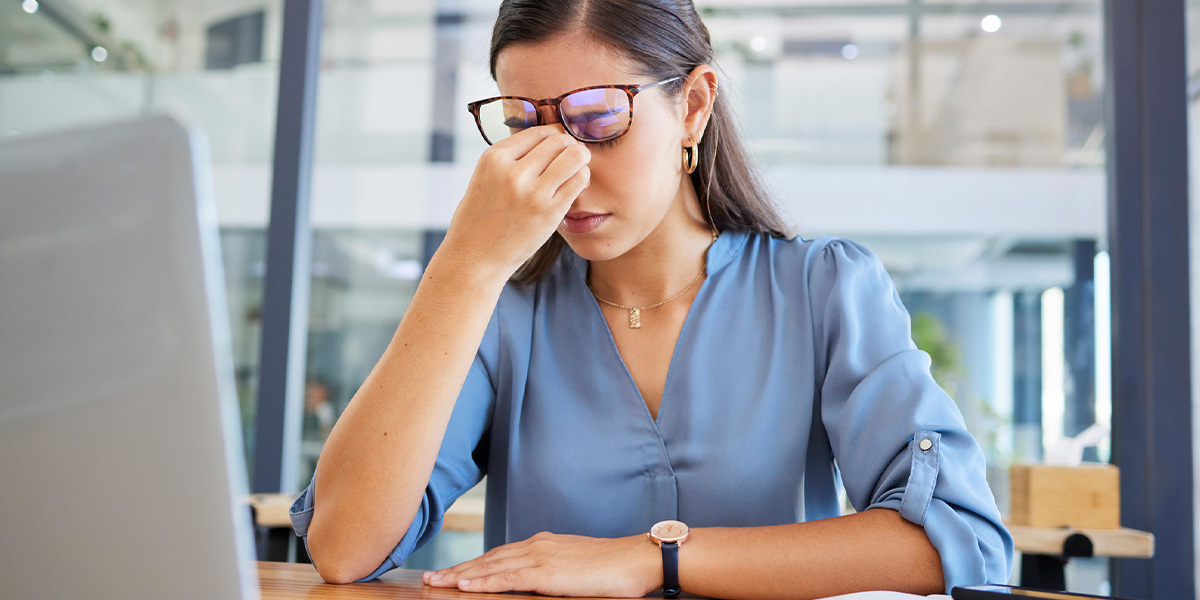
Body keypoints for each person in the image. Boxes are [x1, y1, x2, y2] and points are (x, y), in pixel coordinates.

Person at [288, 1, 1014, 597]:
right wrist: (466, 263)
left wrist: (652, 558)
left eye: (598, 121)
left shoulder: (823, 290)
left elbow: (956, 544)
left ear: (693, 107)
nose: (562, 168)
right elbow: (346, 548)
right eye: (523, 129)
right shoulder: (501, 313)